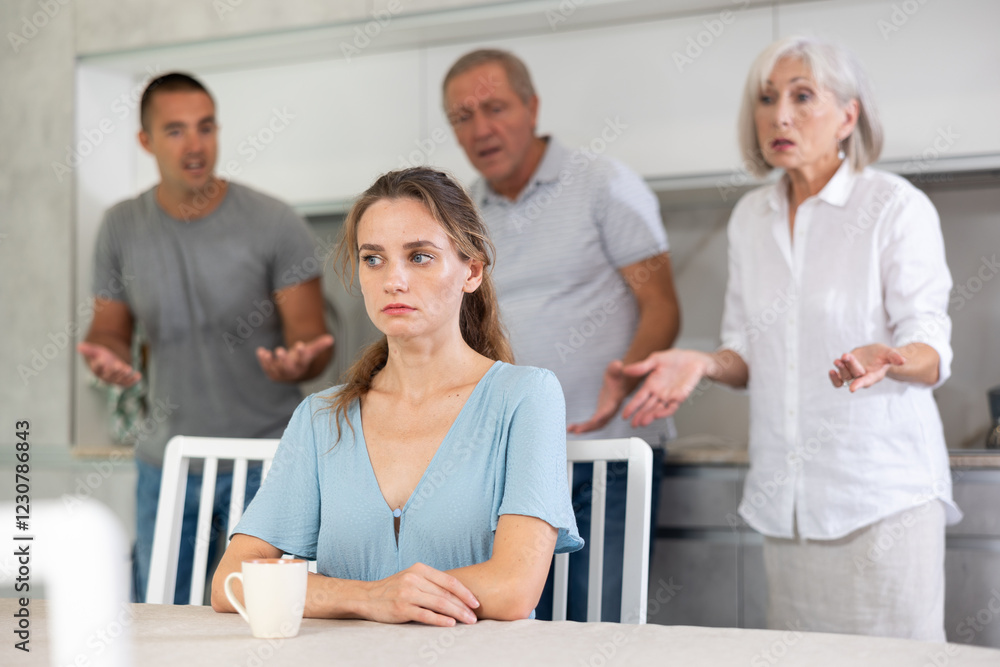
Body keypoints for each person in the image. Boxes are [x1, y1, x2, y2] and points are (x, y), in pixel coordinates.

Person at [621, 36, 960, 640]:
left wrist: (893, 358)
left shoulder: (893, 208)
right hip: (788, 508)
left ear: (848, 116)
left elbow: (930, 345)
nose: (779, 114)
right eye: (767, 98)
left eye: (803, 97)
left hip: (881, 504)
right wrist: (702, 363)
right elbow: (746, 354)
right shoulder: (751, 217)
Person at [210, 167, 582, 625]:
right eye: (373, 259)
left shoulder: (527, 397)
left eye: (420, 256)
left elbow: (512, 588)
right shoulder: (322, 417)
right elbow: (232, 582)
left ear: (472, 270)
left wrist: (345, 594)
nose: (393, 280)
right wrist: (368, 597)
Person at [441, 49, 680, 622]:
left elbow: (663, 306)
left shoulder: (601, 183)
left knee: (597, 624)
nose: (481, 129)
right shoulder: (462, 211)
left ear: (532, 107)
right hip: (511, 463)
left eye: (495, 108)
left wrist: (624, 381)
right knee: (512, 624)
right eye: (462, 117)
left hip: (609, 455)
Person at [77, 72, 334, 603]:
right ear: (145, 141)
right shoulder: (120, 226)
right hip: (167, 459)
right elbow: (109, 330)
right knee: (163, 612)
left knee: (267, 608)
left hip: (268, 458)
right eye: (175, 131)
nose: (195, 145)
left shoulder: (274, 222)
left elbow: (311, 338)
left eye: (206, 127)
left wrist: (300, 362)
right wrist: (107, 358)